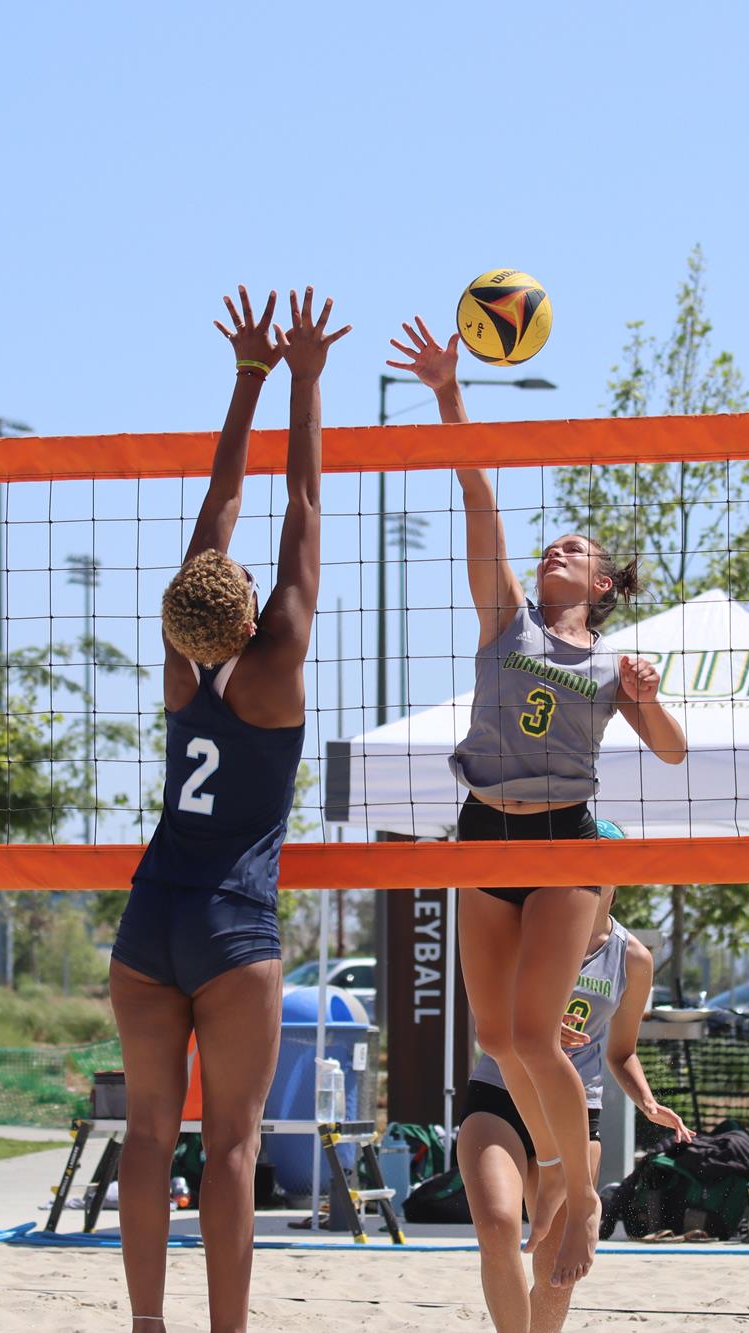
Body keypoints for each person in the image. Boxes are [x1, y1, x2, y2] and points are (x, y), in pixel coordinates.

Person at [386, 314, 687, 1290]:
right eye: (552, 541)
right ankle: (560, 1167)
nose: (556, 546)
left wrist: (646, 695)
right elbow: (477, 495)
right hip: (483, 835)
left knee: (533, 1032)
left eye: (575, 548)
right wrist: (445, 393)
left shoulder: (609, 663)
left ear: (599, 585)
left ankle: (582, 1189)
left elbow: (675, 753)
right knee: (495, 1039)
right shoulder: (502, 620)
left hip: (566, 842)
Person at [109, 286, 346, 1332]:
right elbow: (300, 506)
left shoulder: (178, 662)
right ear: (246, 608)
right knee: (234, 1144)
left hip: (148, 916)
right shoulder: (277, 660)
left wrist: (245, 379)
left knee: (150, 1133)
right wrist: (304, 381)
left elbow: (219, 509)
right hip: (232, 924)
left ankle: (146, 1325)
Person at [455, 886, 690, 1333]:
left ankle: (583, 1201)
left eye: (592, 871)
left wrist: (648, 1100)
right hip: (501, 1093)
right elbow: (490, 1012)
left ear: (614, 881)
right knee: (497, 1227)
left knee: (556, 1274)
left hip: (573, 1111)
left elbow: (622, 1052)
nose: (580, 880)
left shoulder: (632, 957)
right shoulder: (526, 926)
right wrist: (535, 1024)